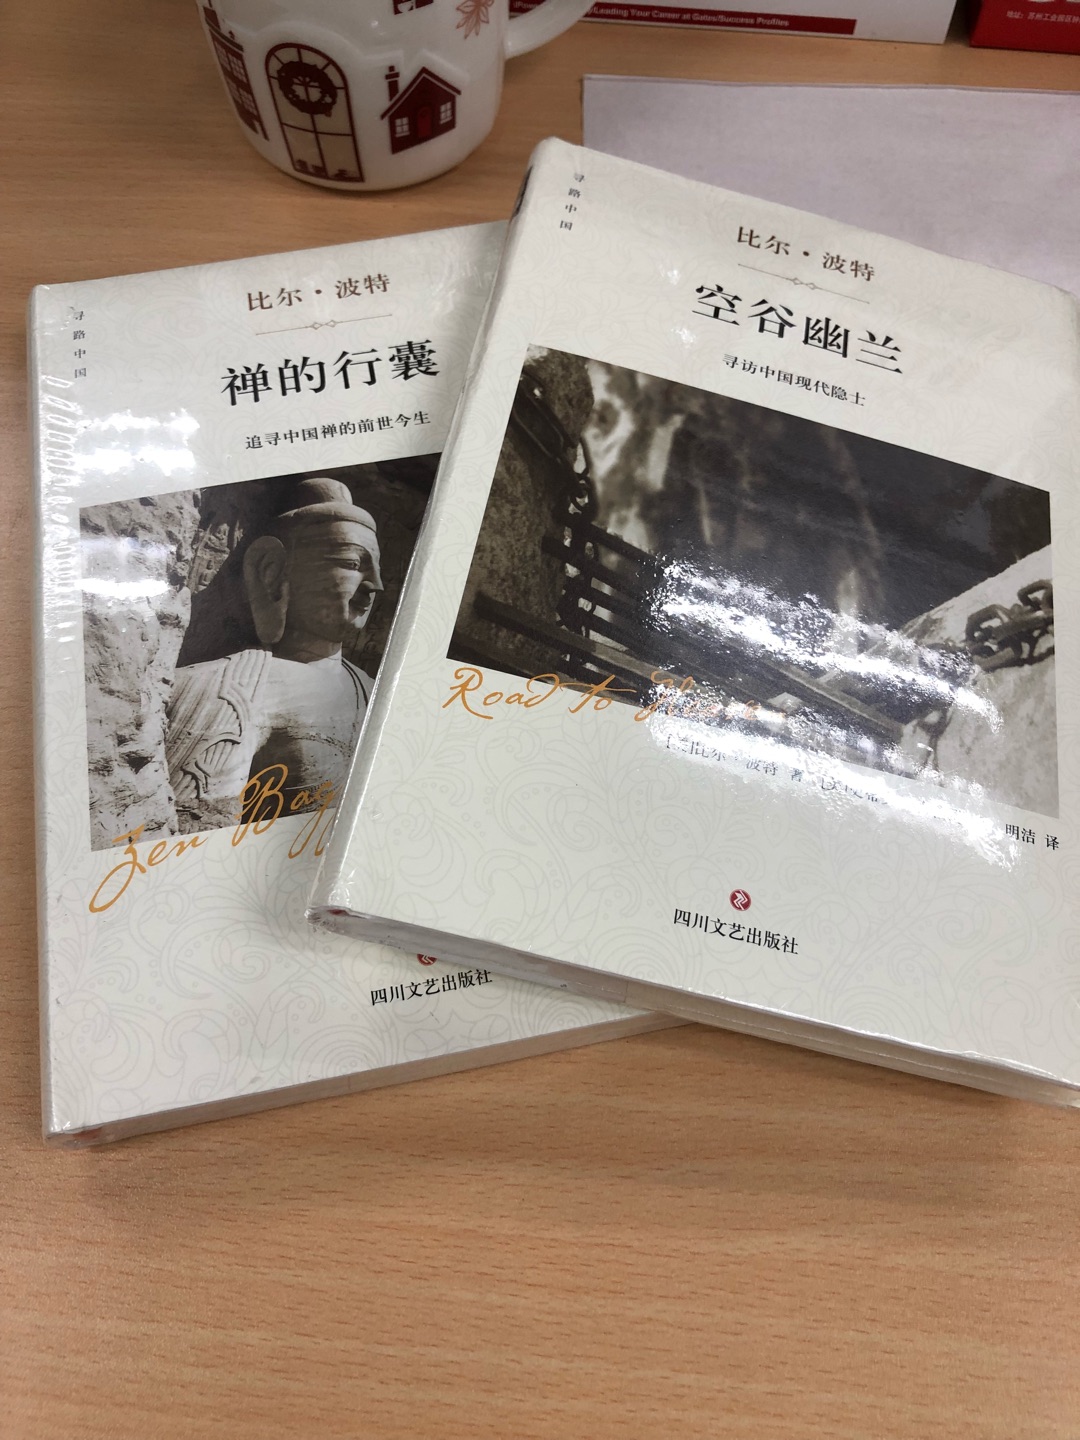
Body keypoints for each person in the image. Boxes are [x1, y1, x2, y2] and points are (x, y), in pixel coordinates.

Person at [166, 477, 382, 832]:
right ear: (271, 572)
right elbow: (189, 831)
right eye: (350, 563)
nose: (375, 586)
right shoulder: (226, 689)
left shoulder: (377, 693)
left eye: (377, 567)